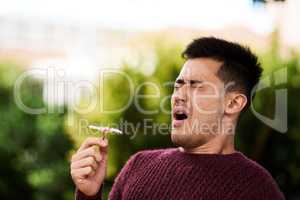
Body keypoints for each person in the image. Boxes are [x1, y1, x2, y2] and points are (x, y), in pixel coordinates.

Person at [70, 37, 285, 200]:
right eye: (178, 85)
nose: (178, 96)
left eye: (195, 86)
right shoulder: (138, 166)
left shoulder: (257, 188)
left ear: (233, 103)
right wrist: (89, 194)